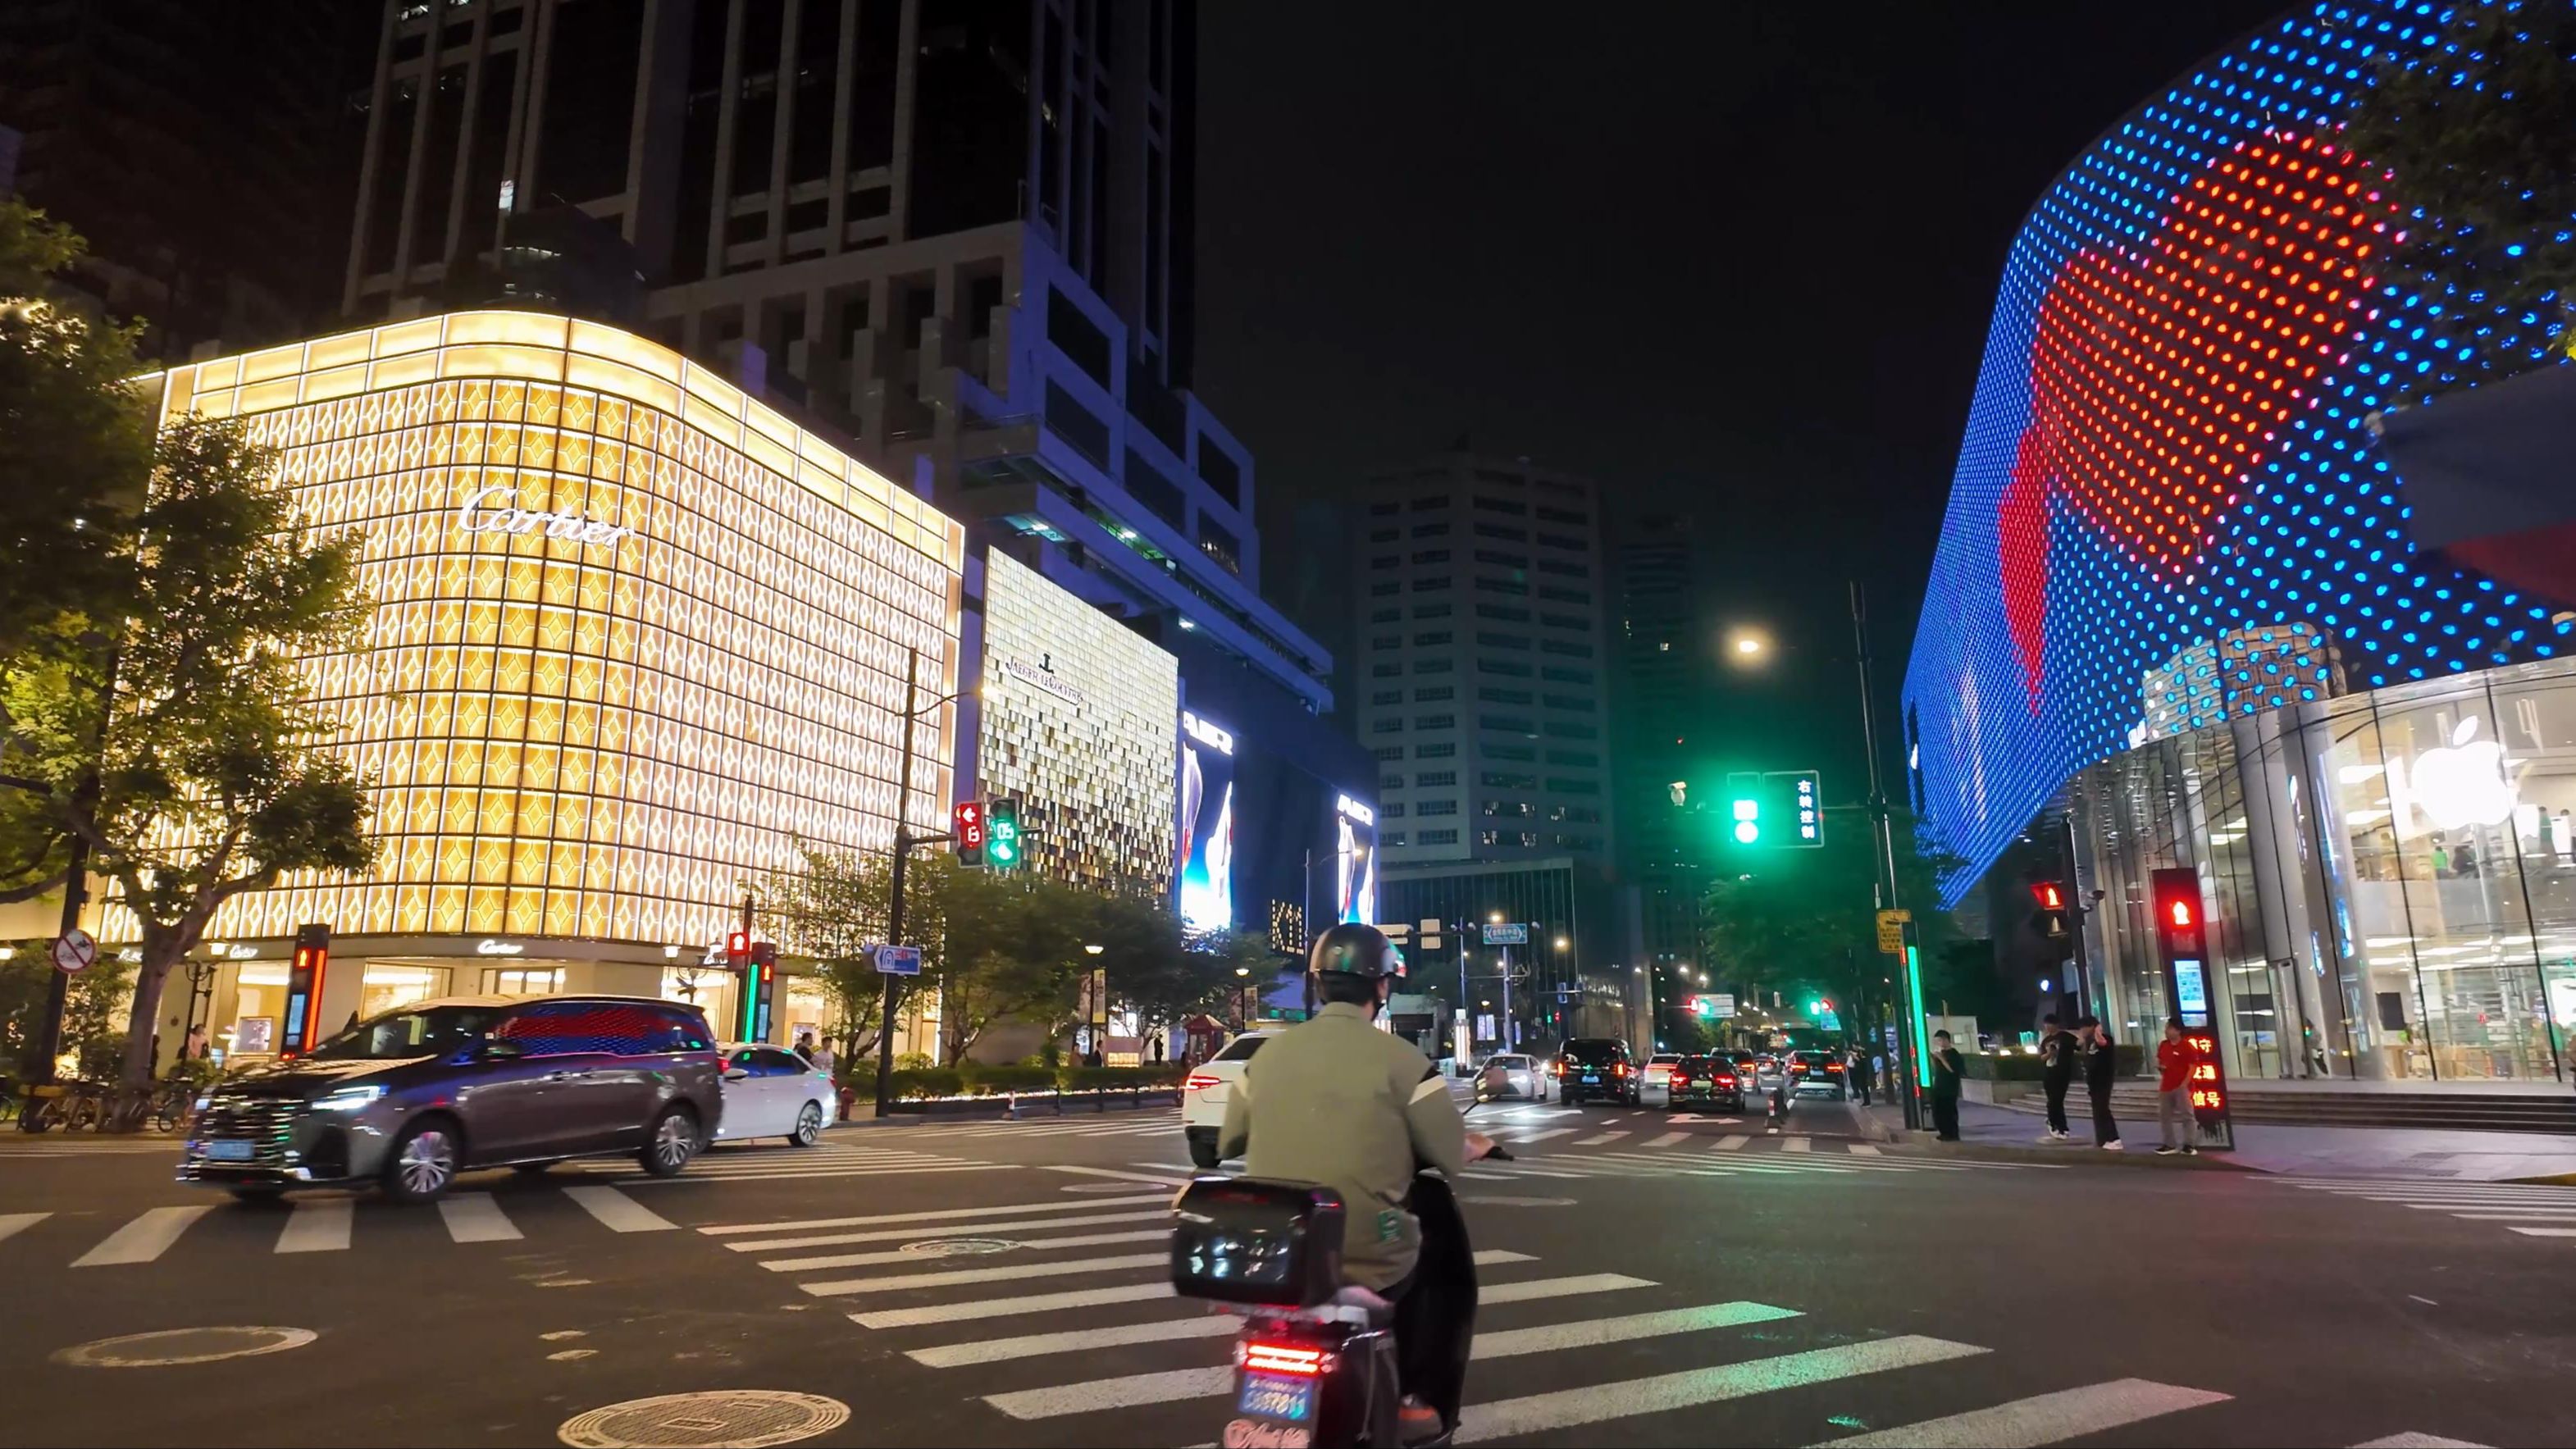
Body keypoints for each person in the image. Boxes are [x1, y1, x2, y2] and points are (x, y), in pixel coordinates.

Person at [1218, 922, 1495, 1444]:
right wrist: (1476, 1145)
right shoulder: (1405, 1062)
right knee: (1437, 1272)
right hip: (1364, 1257)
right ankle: (1414, 1398)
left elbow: (1229, 1140)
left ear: (1319, 984)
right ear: (1382, 987)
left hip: (1276, 1258)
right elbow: (1448, 1155)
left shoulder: (1265, 1057)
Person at [2154, 1017, 2197, 1156]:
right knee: (2164, 1115)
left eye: (2169, 1028)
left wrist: (2184, 1085)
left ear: (2178, 1030)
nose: (2166, 1031)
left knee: (2187, 1115)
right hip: (2166, 1086)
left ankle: (2189, 1144)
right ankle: (2169, 1144)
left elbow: (2192, 1067)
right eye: (2166, 1028)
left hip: (2181, 1086)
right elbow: (2160, 1060)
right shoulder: (2164, 1045)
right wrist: (2160, 1068)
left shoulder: (2187, 1046)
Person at [2079, 1015, 2122, 1150]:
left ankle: (2113, 1138)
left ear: (2091, 1027)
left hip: (2104, 1079)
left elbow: (2103, 1044)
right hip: (2093, 1081)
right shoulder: (2089, 1042)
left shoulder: (2105, 1039)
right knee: (2098, 1110)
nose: (2082, 1031)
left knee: (2102, 1109)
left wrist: (2098, 1030)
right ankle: (2102, 1139)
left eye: (2084, 1027)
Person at [2036, 1013, 2077, 1142]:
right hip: (2049, 1073)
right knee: (2053, 1100)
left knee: (2057, 1100)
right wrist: (2050, 1053)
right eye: (2046, 1025)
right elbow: (2041, 1058)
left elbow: (2079, 1046)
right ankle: (2060, 1126)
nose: (2047, 1027)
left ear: (2056, 1025)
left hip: (2063, 1073)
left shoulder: (2065, 1037)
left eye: (2050, 1024)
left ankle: (2055, 1123)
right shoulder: (2046, 1041)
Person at [1926, 1029, 1963, 1141]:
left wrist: (1941, 1059)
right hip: (1939, 1087)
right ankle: (1943, 1132)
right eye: (1937, 1041)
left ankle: (1952, 1134)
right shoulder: (1941, 1054)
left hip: (1949, 1089)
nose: (1938, 1044)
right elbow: (1938, 1069)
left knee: (1949, 1112)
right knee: (1938, 1111)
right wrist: (1934, 1058)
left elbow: (1952, 1070)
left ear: (1946, 1040)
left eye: (1939, 1041)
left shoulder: (1954, 1054)